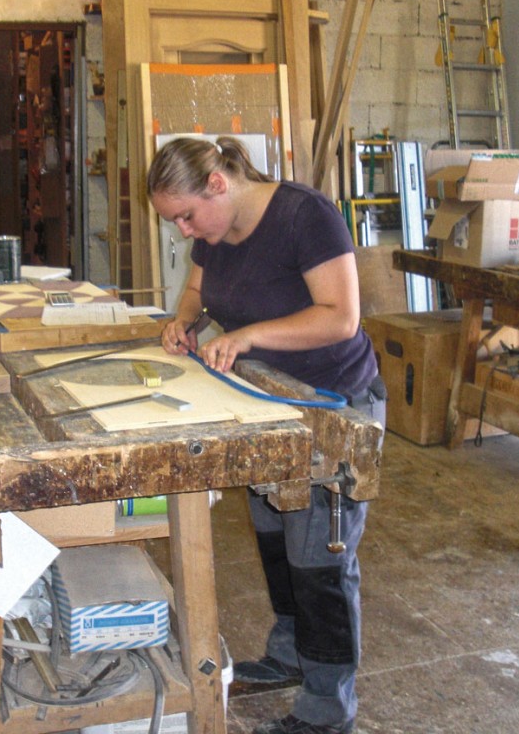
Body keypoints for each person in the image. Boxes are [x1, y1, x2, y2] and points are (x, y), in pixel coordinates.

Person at [148, 136, 386, 734]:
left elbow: (341, 317)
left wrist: (249, 335)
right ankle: (289, 655)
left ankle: (328, 708)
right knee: (278, 541)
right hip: (267, 402)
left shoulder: (306, 216)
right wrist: (184, 322)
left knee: (319, 562)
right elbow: (197, 293)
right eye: (174, 221)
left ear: (218, 184)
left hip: (333, 408)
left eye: (186, 216)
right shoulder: (215, 234)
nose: (183, 231)